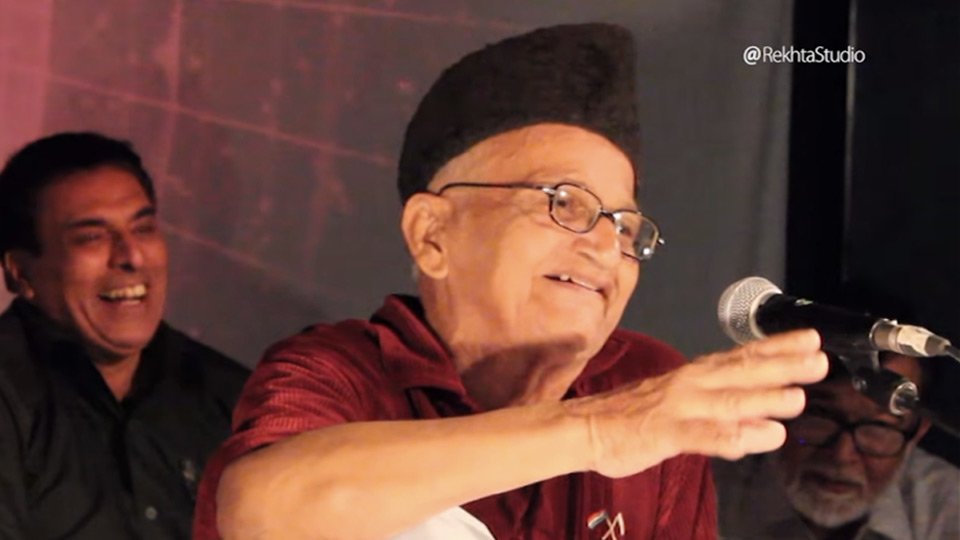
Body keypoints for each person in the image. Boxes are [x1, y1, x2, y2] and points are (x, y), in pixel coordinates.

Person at [194, 23, 828, 540]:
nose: (605, 246)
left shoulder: (642, 382)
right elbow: (263, 513)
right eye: (565, 203)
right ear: (432, 235)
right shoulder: (343, 371)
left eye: (626, 226)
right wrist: (599, 432)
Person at [0, 132, 251, 539]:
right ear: (20, 273)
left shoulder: (232, 398)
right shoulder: (11, 394)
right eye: (91, 237)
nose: (131, 256)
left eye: (143, 228)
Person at [714, 352, 960, 540]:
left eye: (878, 426)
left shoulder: (948, 508)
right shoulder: (709, 485)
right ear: (775, 409)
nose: (841, 455)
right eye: (820, 416)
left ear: (917, 432)